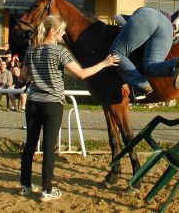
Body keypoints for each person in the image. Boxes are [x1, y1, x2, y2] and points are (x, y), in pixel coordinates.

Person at [19, 15, 119, 202]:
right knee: (49, 148)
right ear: (53, 31)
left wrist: (37, 73)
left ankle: (25, 185)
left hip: (33, 102)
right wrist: (105, 64)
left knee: (30, 144)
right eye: (62, 30)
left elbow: (24, 75)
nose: (64, 34)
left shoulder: (31, 49)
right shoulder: (60, 52)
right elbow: (81, 73)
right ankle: (46, 189)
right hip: (52, 103)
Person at [110, 6, 179, 98]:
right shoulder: (171, 17)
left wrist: (129, 27)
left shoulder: (140, 14)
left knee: (116, 52)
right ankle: (175, 64)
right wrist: (177, 21)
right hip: (167, 27)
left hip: (144, 16)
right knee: (151, 66)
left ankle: (140, 84)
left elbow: (117, 16)